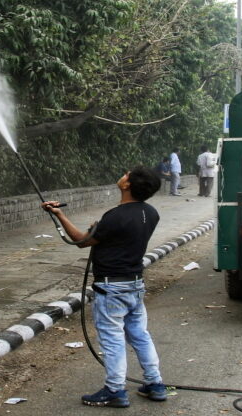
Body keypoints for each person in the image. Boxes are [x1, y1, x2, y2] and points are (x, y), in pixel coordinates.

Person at [41, 166, 167, 408]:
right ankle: (155, 384)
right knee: (140, 335)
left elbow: (81, 241)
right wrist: (100, 230)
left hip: (111, 288)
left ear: (127, 185)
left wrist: (59, 215)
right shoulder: (151, 213)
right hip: (135, 284)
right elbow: (116, 236)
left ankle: (115, 390)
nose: (122, 175)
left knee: (112, 339)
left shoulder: (114, 217)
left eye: (126, 174)